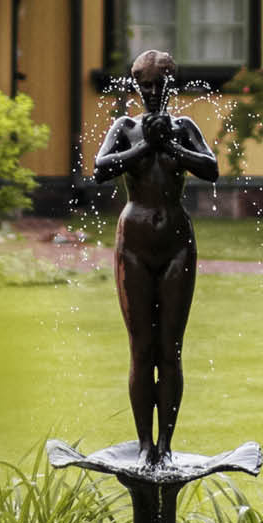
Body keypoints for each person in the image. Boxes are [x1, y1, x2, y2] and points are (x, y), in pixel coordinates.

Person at [93, 50, 218, 468]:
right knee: (141, 349)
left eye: (158, 84)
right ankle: (144, 443)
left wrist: (172, 148)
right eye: (143, 84)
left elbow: (212, 169)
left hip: (177, 244)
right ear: (135, 86)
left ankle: (166, 443)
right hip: (134, 244)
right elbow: (100, 168)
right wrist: (146, 145)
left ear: (171, 85)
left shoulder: (184, 128)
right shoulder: (125, 128)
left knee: (171, 349)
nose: (150, 91)